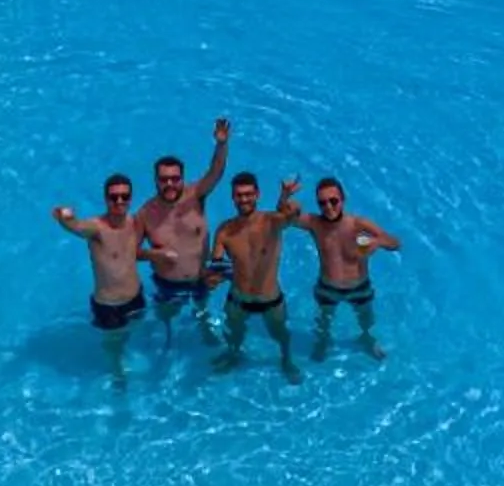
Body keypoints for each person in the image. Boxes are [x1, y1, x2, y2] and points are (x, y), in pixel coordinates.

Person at [138, 119, 230, 343]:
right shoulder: (145, 214)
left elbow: (216, 172)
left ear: (182, 178)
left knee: (201, 306)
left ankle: (204, 325)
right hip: (167, 283)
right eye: (164, 180)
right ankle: (167, 336)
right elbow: (129, 251)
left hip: (200, 277)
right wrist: (154, 255)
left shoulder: (196, 195)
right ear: (155, 181)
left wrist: (221, 145)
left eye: (175, 179)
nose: (170, 184)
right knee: (166, 317)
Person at [291, 176, 401, 359]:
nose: (328, 207)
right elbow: (286, 217)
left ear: (343, 200)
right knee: (323, 321)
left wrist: (377, 242)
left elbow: (396, 243)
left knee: (366, 319)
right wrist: (286, 195)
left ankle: (366, 339)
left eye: (333, 201)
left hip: (359, 287)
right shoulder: (315, 223)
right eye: (322, 203)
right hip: (328, 287)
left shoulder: (359, 225)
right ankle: (323, 341)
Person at [210, 173, 299, 371]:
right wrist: (213, 279)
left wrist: (284, 197)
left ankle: (286, 360)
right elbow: (216, 266)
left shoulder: (271, 222)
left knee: (280, 334)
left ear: (257, 194)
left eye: (248, 194)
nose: (243, 199)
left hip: (270, 300)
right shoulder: (225, 230)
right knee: (234, 332)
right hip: (238, 299)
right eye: (239, 195)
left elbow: (291, 215)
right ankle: (234, 355)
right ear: (232, 197)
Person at [53, 176, 147, 362]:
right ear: (106, 200)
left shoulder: (135, 222)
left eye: (124, 196)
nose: (119, 201)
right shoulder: (96, 228)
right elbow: (77, 227)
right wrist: (66, 219)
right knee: (114, 349)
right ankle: (118, 375)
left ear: (130, 199)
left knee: (138, 334)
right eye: (114, 197)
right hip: (108, 308)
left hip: (136, 298)